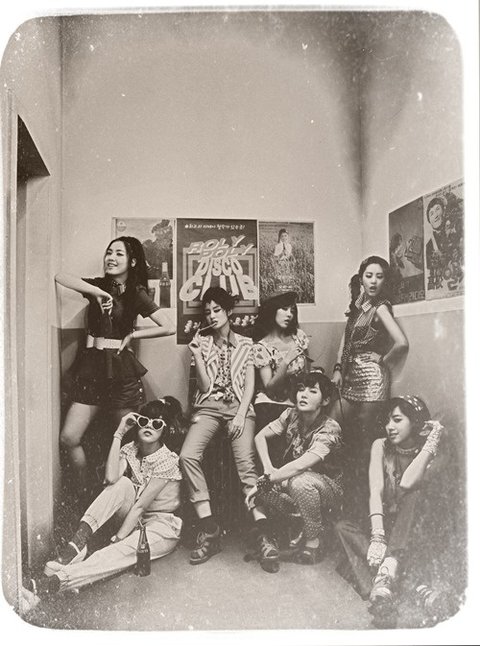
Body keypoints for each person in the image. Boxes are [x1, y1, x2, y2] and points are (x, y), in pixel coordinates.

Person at [22, 397, 184, 609]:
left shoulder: (167, 459)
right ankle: (75, 546)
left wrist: (118, 539)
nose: (149, 426)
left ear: (164, 429)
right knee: (122, 483)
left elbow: (141, 506)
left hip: (160, 526)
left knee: (116, 553)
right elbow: (110, 478)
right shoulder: (131, 449)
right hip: (135, 518)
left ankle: (44, 587)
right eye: (144, 421)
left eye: (157, 423)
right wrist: (119, 433)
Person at [56, 236, 175, 499]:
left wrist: (133, 336)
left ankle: (125, 499)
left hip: (121, 372)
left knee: (131, 443)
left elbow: (169, 327)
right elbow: (60, 276)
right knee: (69, 437)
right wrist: (98, 293)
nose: (111, 258)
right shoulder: (98, 286)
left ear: (132, 261)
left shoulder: (136, 293)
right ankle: (85, 496)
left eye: (119, 254)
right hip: (91, 369)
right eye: (109, 252)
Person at [334, 396, 457, 627]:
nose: (389, 426)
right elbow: (376, 490)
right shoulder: (380, 446)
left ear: (416, 423)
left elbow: (408, 483)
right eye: (388, 420)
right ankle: (413, 587)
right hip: (387, 527)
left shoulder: (432, 451)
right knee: (342, 527)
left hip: (412, 530)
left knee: (414, 495)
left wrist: (431, 442)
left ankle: (385, 580)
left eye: (397, 420)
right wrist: (377, 536)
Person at [179, 287, 268, 565]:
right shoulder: (202, 343)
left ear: (229, 311)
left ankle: (263, 533)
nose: (212, 316)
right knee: (187, 455)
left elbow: (250, 386)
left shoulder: (247, 344)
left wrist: (241, 415)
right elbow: (204, 386)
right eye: (207, 312)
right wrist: (197, 354)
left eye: (217, 310)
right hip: (209, 407)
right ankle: (210, 529)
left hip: (239, 407)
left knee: (246, 464)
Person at [246, 370, 343, 572]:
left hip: (329, 491)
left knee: (300, 482)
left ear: (325, 401)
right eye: (300, 389)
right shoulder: (291, 415)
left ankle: (313, 543)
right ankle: (295, 527)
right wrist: (267, 469)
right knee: (262, 490)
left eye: (312, 391)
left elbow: (301, 465)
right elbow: (259, 437)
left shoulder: (330, 428)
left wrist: (268, 479)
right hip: (296, 483)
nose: (303, 395)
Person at [330, 256, 409, 439]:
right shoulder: (358, 306)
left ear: (384, 281)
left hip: (373, 378)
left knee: (366, 432)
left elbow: (402, 342)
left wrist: (382, 359)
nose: (373, 281)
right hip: (351, 375)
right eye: (369, 276)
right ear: (361, 279)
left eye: (379, 277)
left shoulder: (381, 308)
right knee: (332, 423)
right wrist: (338, 369)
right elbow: (345, 341)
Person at [252, 291, 310, 458]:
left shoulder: (299, 337)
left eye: (292, 310)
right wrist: (285, 362)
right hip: (272, 402)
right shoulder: (261, 347)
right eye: (284, 309)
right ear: (272, 311)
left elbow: (307, 372)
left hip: (296, 399)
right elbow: (269, 388)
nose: (289, 314)